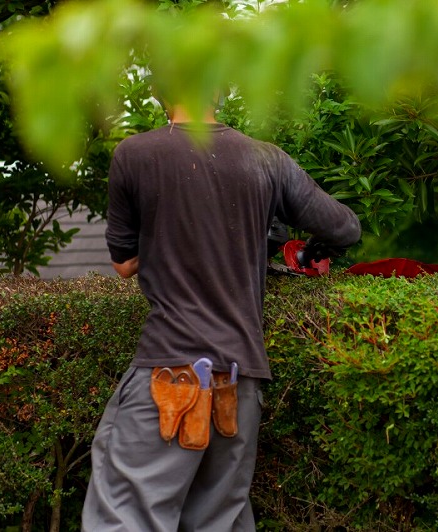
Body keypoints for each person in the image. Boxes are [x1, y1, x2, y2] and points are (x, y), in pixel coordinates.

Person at [82, 96, 361, 531]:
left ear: (162, 92)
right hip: (240, 378)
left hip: (170, 376)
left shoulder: (135, 154)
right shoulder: (267, 159)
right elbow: (344, 228)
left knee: (124, 515)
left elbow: (123, 263)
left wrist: (165, 232)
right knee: (219, 521)